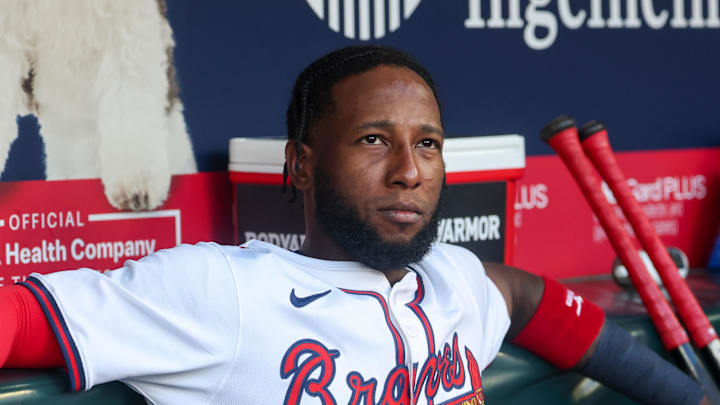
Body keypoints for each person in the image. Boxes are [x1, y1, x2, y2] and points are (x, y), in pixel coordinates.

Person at [0, 45, 707, 405]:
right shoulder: (225, 292)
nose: (408, 169)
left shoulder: (454, 279)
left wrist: (688, 395)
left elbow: (532, 300)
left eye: (426, 143)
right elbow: (20, 319)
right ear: (301, 165)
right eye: (374, 140)